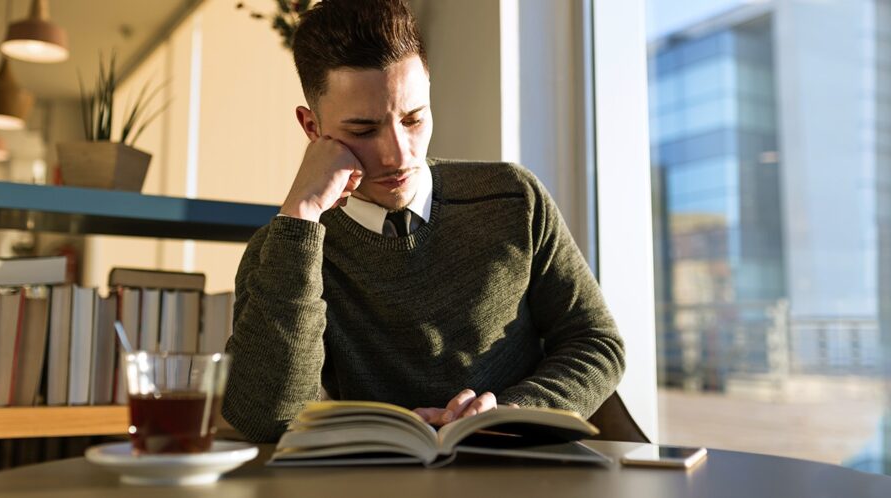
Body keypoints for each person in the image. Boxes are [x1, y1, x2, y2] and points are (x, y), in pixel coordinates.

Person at [223, 0, 625, 443]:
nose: (399, 155)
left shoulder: (513, 198)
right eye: (363, 130)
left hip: (525, 470)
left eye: (414, 118)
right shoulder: (282, 251)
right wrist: (301, 215)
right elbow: (266, 419)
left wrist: (514, 412)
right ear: (312, 128)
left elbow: (596, 342)